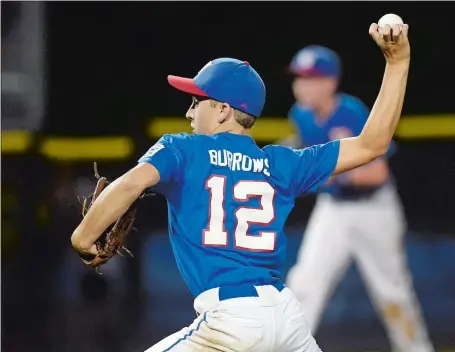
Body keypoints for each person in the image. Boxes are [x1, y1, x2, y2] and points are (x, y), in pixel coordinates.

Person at [71, 23, 411, 352]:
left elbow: (131, 182)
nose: (190, 113)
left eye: (196, 102)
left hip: (230, 322)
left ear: (221, 110)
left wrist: (83, 238)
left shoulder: (182, 150)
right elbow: (372, 144)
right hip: (287, 320)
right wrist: (398, 64)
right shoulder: (282, 164)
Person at [283, 45, 435, 352]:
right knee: (305, 285)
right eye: (299, 77)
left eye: (311, 77)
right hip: (333, 210)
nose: (301, 84)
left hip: (374, 208)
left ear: (330, 82)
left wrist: (324, 175)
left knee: (392, 294)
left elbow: (376, 174)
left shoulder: (351, 112)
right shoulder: (299, 114)